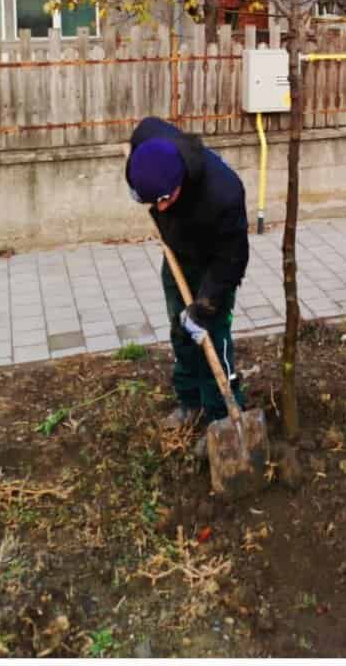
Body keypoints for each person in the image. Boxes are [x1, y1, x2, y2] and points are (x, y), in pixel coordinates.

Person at [126, 116, 249, 455]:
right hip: (178, 255)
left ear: (180, 182)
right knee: (180, 331)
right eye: (151, 201)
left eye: (164, 199)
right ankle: (189, 401)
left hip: (214, 265)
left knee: (211, 335)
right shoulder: (148, 139)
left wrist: (205, 304)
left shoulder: (223, 194)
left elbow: (232, 260)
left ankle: (222, 416)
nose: (158, 207)